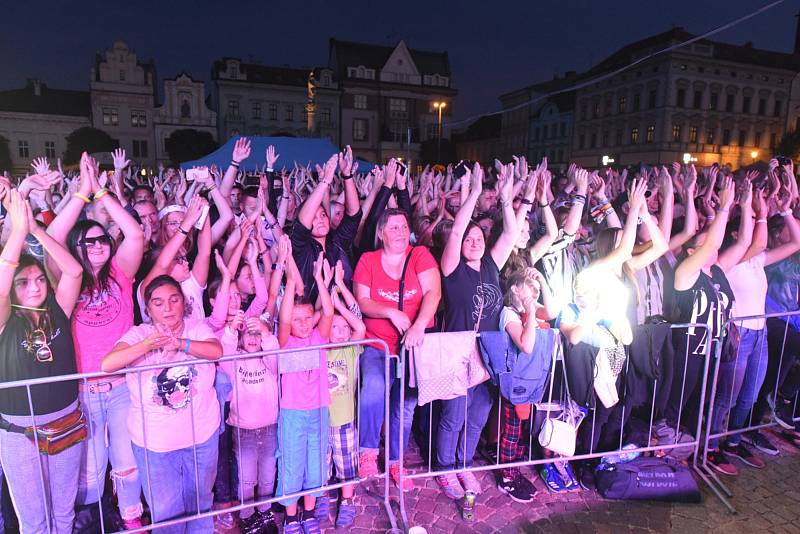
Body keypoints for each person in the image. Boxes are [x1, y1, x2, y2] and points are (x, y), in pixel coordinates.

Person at [46, 151, 147, 528]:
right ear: (76, 249)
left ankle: (132, 520)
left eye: (101, 239)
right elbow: (55, 235)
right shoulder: (67, 277)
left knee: (126, 462)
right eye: (87, 242)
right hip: (85, 389)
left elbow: (135, 233)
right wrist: (80, 194)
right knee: (89, 470)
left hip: (122, 385)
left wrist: (102, 192)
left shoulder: (121, 273)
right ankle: (85, 520)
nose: (97, 246)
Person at [102, 275, 223, 533]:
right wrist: (147, 345)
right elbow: (108, 364)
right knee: (166, 515)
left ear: (184, 303)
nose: (167, 308)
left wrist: (181, 344)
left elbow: (216, 351)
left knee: (201, 505)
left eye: (173, 300)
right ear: (148, 309)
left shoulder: (197, 328)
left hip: (201, 437)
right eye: (158, 303)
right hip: (155, 444)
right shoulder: (139, 334)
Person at [0, 189, 84, 533]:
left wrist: (35, 229)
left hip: (66, 423)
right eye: (24, 282)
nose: (35, 287)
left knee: (64, 514)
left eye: (38, 280)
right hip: (20, 433)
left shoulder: (58, 310)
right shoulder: (5, 319)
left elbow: (74, 271)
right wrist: (17, 232)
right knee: (34, 522)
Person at [434, 161, 517, 499]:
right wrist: (476, 191)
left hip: (486, 355)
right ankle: (444, 468)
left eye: (478, 237)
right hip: (457, 353)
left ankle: (464, 463)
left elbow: (510, 234)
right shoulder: (452, 269)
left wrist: (508, 200)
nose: (473, 241)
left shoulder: (490, 266)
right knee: (453, 415)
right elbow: (455, 232)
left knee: (479, 412)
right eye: (469, 238)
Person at [353, 208, 441, 491]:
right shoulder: (368, 260)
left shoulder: (420, 256)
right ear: (381, 233)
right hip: (377, 345)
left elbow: (433, 293)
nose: (401, 232)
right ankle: (367, 452)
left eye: (404, 227)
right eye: (393, 227)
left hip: (412, 348)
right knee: (374, 388)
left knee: (403, 407)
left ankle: (395, 461)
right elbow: (363, 301)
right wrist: (391, 312)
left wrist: (418, 326)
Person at [276, 254, 333, 534]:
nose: (303, 323)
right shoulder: (284, 342)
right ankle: (290, 516)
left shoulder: (319, 337)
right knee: (292, 461)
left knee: (315, 461)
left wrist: (320, 280)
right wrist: (290, 281)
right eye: (297, 319)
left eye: (308, 318)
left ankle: (309, 512)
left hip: (320, 409)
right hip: (293, 413)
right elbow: (284, 318)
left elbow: (330, 313)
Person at [496, 269, 558, 502]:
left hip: (530, 379)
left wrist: (542, 278)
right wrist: (531, 312)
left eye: (537, 289)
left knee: (521, 430)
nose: (535, 291)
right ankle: (507, 477)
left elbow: (552, 312)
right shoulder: (508, 314)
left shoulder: (524, 311)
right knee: (512, 432)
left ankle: (515, 470)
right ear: (514, 288)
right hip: (515, 381)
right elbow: (526, 345)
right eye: (530, 286)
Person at [316, 260, 365, 528]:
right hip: (322, 418)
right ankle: (323, 495)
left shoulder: (350, 349)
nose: (341, 331)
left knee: (346, 464)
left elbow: (359, 328)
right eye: (334, 326)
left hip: (345, 419)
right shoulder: (321, 348)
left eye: (343, 328)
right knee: (322, 463)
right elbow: (319, 320)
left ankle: (347, 499)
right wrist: (326, 293)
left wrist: (340, 302)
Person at [219, 315, 280, 534]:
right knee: (246, 480)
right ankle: (246, 515)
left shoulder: (270, 361)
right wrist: (231, 330)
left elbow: (273, 348)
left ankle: (264, 512)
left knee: (267, 478)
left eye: (257, 334)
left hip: (269, 429)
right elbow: (224, 350)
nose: (253, 339)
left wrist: (265, 331)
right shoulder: (235, 361)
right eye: (248, 334)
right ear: (240, 338)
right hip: (243, 431)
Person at [291, 147, 361, 299]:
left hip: (344, 314)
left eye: (323, 215)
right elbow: (302, 223)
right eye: (313, 218)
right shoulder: (300, 248)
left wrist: (347, 176)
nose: (320, 220)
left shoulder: (337, 241)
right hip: (313, 316)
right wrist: (325, 182)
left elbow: (354, 215)